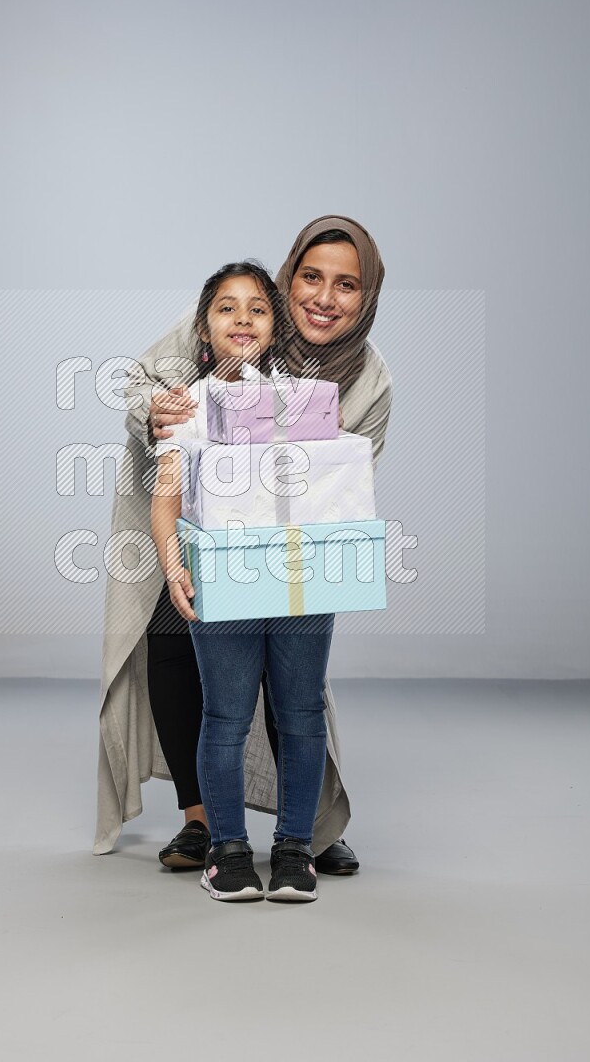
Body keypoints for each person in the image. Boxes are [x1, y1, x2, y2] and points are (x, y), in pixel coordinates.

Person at [93, 215, 392, 877]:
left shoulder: (369, 380)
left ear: (366, 297)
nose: (324, 296)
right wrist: (158, 412)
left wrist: (317, 456)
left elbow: (347, 485)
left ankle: (307, 829)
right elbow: (142, 384)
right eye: (310, 277)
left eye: (347, 284)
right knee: (177, 649)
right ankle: (203, 822)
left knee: (296, 691)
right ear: (288, 278)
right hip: (194, 526)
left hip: (286, 548)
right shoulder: (241, 319)